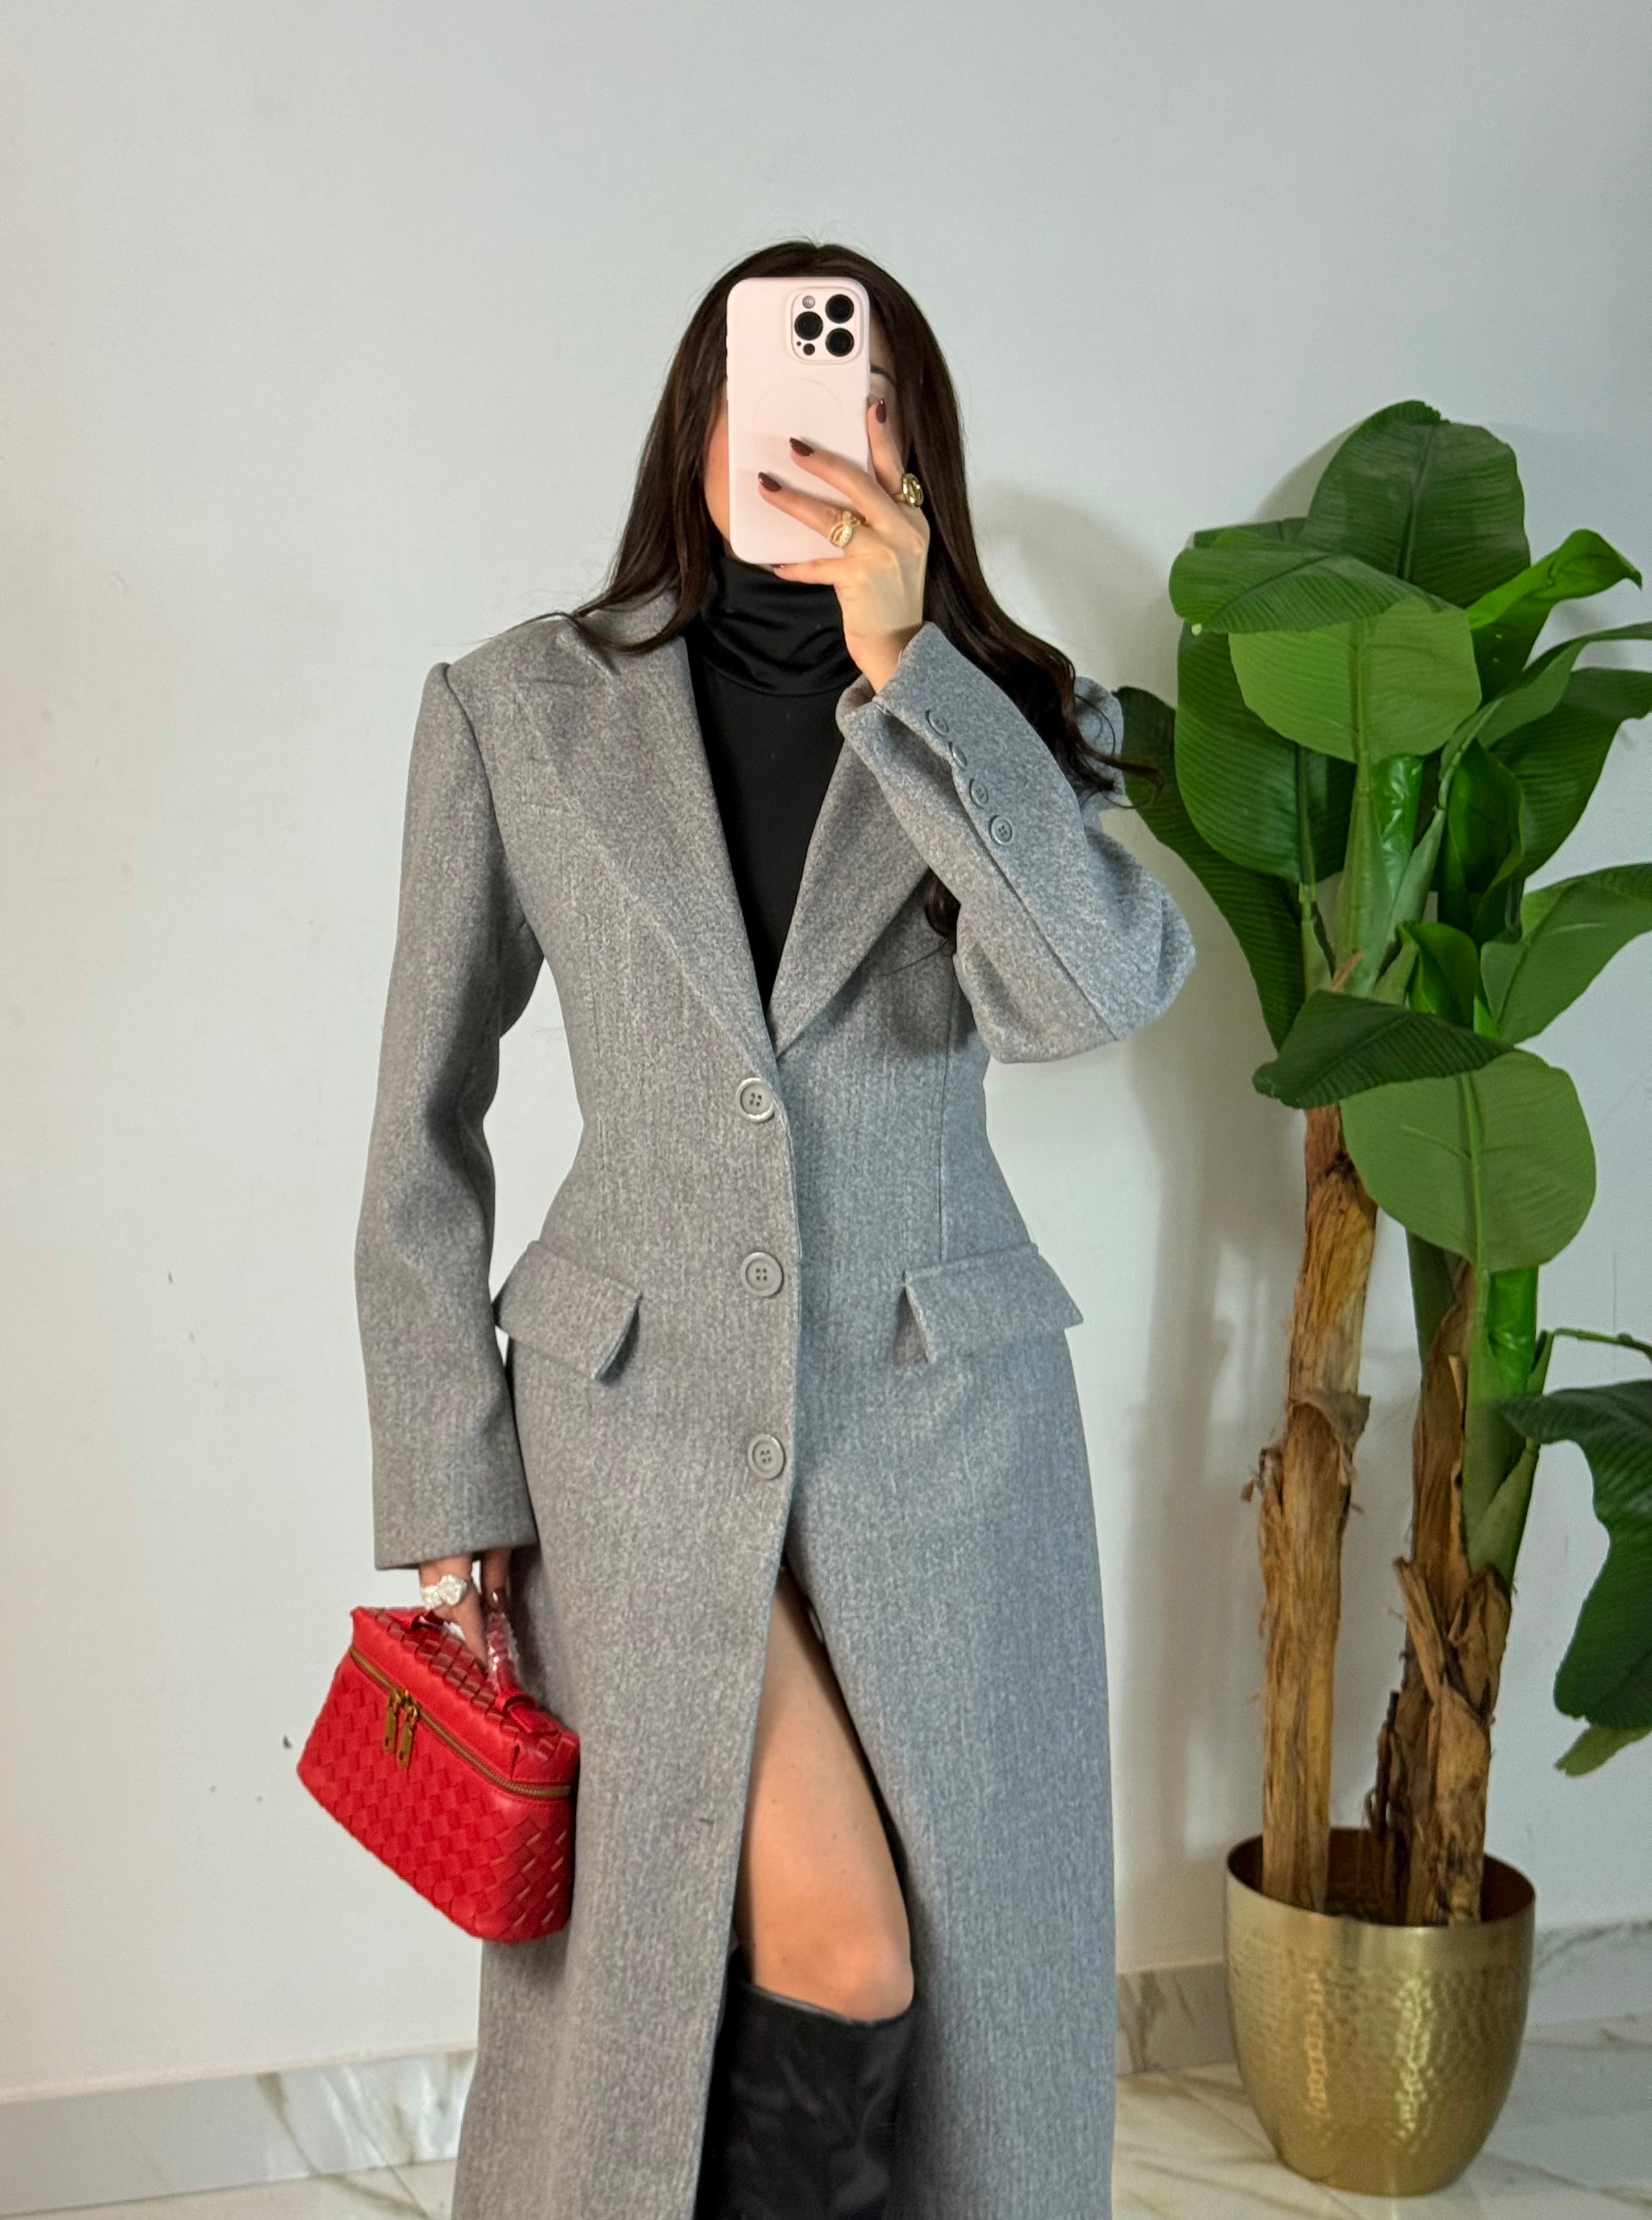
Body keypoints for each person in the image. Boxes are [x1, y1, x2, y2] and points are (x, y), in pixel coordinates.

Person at [353, 239, 1195, 2220]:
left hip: (941, 1437)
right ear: (704, 414)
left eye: (874, 392)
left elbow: (1087, 997)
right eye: (796, 376)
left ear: (918, 446)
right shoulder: (516, 709)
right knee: (791, 1952)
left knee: (943, 1986)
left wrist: (914, 677)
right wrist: (447, 1475)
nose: (835, 423)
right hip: (632, 1440)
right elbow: (418, 1126)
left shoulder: (1002, 713)